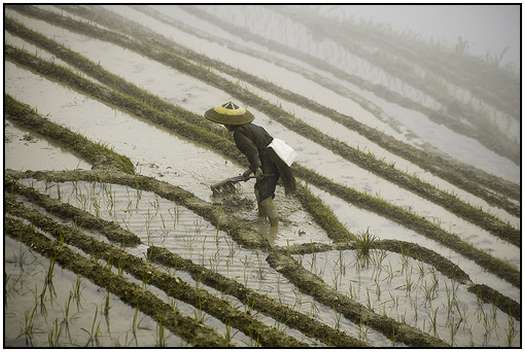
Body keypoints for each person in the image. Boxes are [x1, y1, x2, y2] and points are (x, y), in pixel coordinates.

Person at [205, 101, 296, 230]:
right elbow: (260, 148)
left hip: (269, 162)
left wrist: (257, 168)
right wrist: (251, 169)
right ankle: (261, 219)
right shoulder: (253, 127)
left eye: (225, 123)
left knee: (265, 196)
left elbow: (252, 152)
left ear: (229, 123)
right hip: (272, 158)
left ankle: (274, 230)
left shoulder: (239, 134)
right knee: (259, 190)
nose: (225, 126)